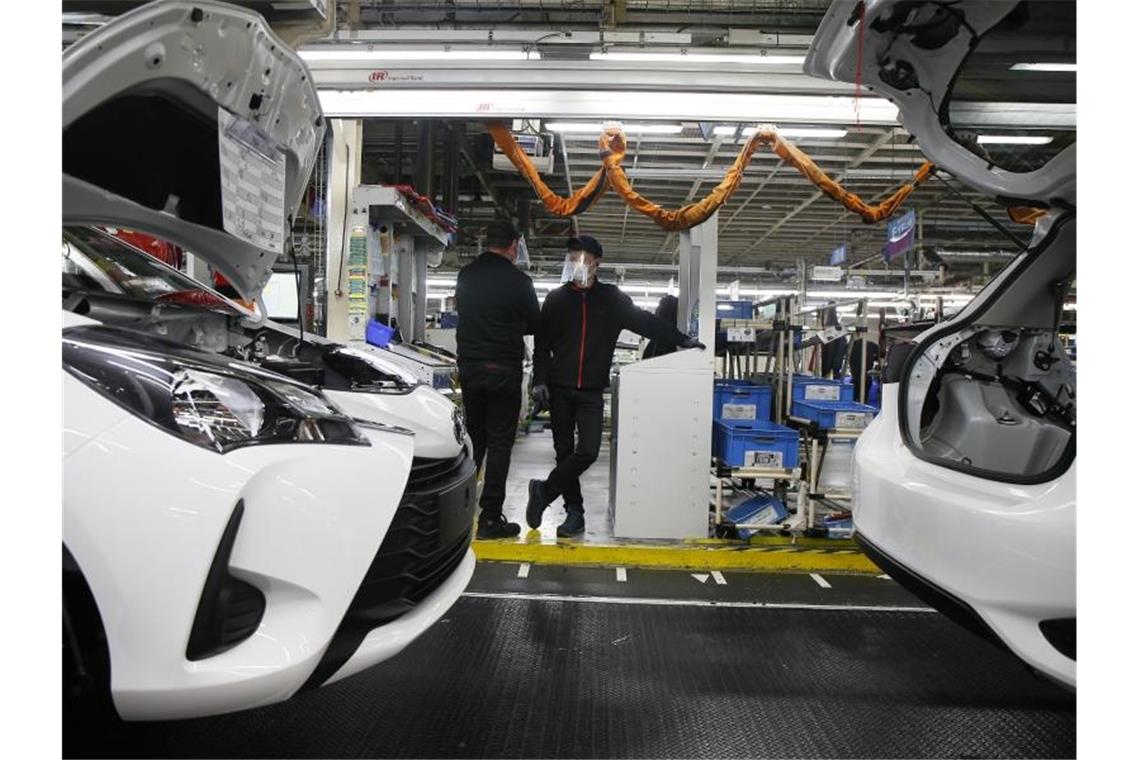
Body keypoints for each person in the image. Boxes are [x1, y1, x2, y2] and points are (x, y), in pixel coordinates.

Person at [526, 235, 705, 537]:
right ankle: (575, 513)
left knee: (588, 451)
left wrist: (682, 339)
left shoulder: (611, 299)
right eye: (572, 257)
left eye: (583, 257)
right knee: (563, 451)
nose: (577, 263)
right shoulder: (556, 300)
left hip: (591, 392)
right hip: (559, 389)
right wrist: (540, 380)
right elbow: (542, 345)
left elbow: (645, 321)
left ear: (597, 262)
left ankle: (544, 491)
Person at [455, 220, 540, 539]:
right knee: (501, 444)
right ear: (514, 247)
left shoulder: (466, 275)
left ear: (485, 242)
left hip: (471, 369)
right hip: (503, 368)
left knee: (473, 441)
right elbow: (535, 323)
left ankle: (458, 513)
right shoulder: (520, 281)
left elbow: (464, 311)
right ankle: (490, 518)